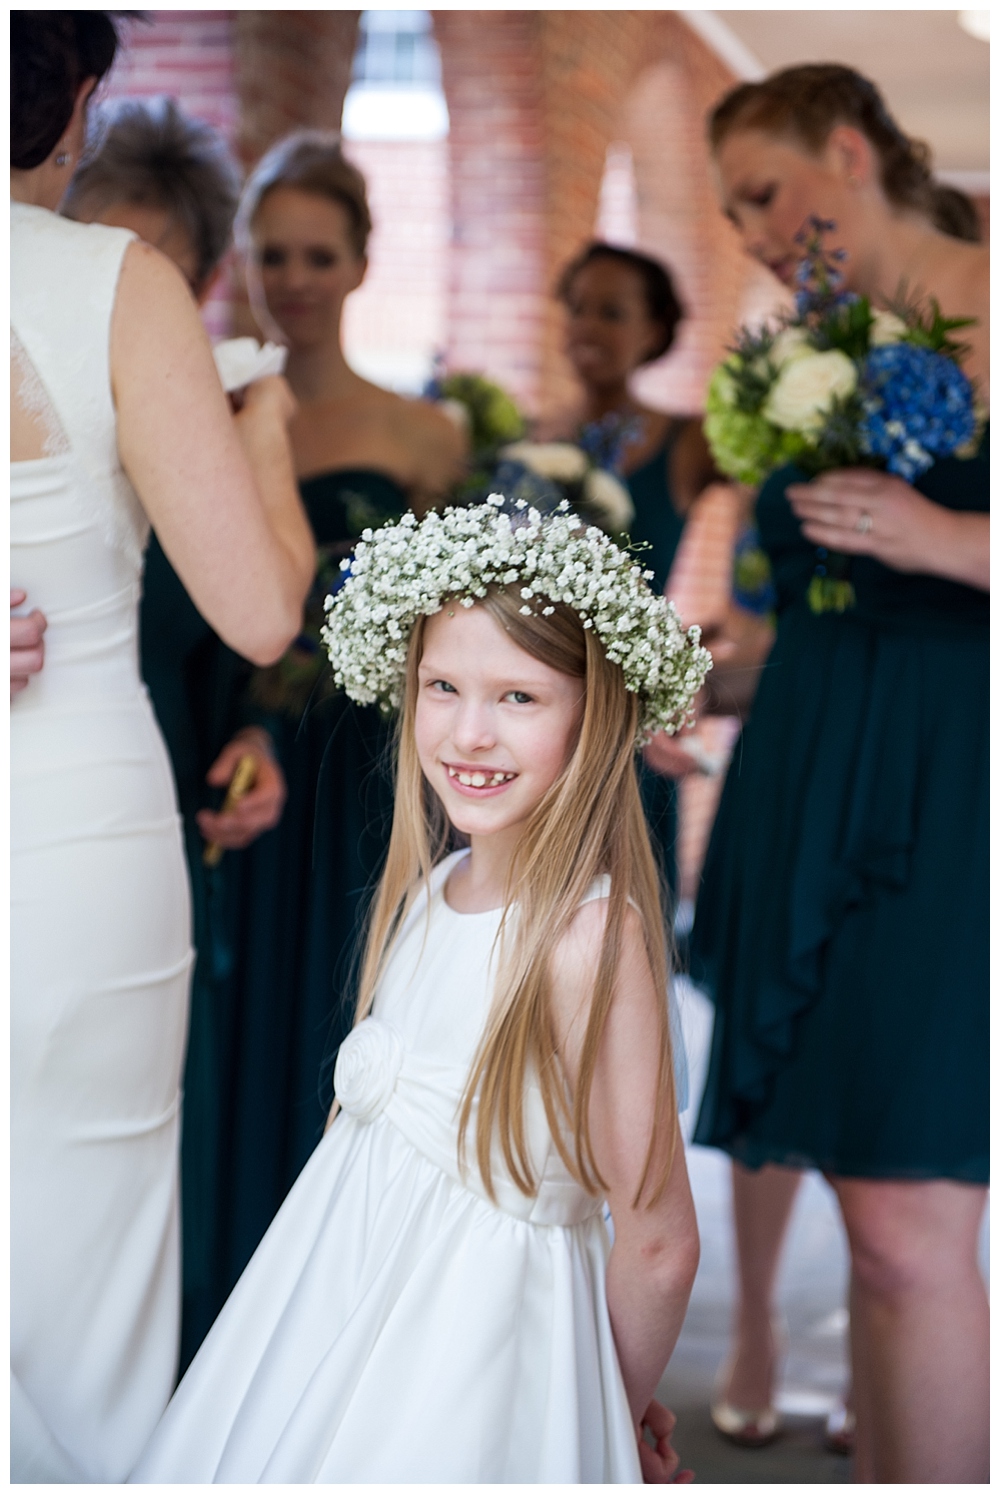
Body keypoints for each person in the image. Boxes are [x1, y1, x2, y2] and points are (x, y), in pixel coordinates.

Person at [132, 496, 704, 1482]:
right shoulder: (435, 888)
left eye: (519, 699)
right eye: (442, 686)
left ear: (595, 711)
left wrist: (600, 1407)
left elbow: (657, 1242)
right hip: (333, 1319)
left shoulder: (582, 942)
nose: (469, 733)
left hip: (482, 1379)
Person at [11, 12, 314, 1482]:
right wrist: (257, 438)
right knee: (95, 1276)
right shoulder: (114, 286)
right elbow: (261, 608)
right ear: (73, 110)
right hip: (78, 837)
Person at [688, 64, 988, 1482]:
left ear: (850, 151)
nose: (751, 228)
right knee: (871, 1230)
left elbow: (913, 560)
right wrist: (682, 682)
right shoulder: (817, 344)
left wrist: (951, 545)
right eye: (732, 207)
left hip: (942, 790)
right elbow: (810, 593)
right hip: (806, 773)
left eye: (764, 190)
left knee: (909, 1223)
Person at [206, 130, 467, 1303]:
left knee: (342, 1012)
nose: (297, 279)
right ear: (244, 265)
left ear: (361, 264)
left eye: (320, 254)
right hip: (226, 746)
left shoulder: (424, 437)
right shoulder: (200, 408)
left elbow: (446, 630)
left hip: (360, 767)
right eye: (275, 255)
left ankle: (336, 1300)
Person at [61, 93, 291, 1371]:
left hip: (172, 781)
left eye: (141, 263)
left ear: (194, 278)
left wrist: (254, 739)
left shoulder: (233, 407)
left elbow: (265, 627)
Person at [543, 242, 721, 895]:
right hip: (537, 708)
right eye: (579, 309)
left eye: (612, 313)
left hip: (628, 720)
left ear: (652, 332)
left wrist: (730, 630)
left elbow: (775, 511)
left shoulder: (690, 440)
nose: (588, 327)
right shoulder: (528, 440)